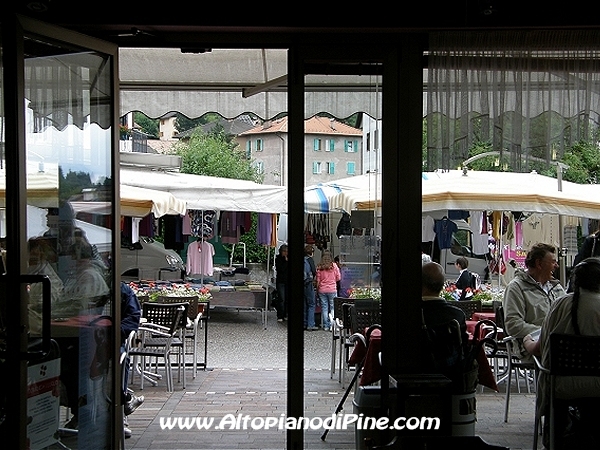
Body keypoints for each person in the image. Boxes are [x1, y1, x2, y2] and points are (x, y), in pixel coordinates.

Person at [522, 257, 600, 449]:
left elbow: (540, 349)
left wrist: (527, 341)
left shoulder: (559, 305)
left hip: (560, 385)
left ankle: (554, 440)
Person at [503, 243, 566, 361]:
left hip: (560, 342)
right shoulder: (516, 287)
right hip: (530, 347)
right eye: (553, 262)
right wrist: (545, 332)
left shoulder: (556, 287)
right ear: (539, 264)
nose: (556, 266)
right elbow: (513, 325)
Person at [421, 262, 470, 390]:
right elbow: (463, 349)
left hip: (412, 376)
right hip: (451, 378)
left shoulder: (408, 315)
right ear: (442, 286)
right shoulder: (457, 316)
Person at [120, 282, 144, 438]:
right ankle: (126, 399)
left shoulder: (122, 290)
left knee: (120, 360)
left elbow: (133, 318)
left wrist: (113, 331)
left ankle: (120, 414)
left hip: (107, 340)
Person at [315, 252, 341, 332]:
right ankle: (332, 325)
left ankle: (326, 326)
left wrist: (317, 289)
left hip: (322, 290)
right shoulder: (334, 266)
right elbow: (338, 278)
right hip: (332, 289)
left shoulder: (319, 267)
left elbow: (317, 280)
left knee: (324, 308)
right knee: (333, 307)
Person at [303, 245, 318, 331]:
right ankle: (310, 324)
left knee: (304, 304)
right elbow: (314, 271)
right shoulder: (310, 260)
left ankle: (304, 323)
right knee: (311, 304)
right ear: (311, 253)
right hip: (308, 283)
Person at [274, 244, 289, 322]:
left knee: (287, 298)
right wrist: (286, 262)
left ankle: (286, 314)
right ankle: (280, 315)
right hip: (281, 281)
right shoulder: (278, 259)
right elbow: (280, 269)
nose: (285, 253)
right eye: (284, 251)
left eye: (287, 251)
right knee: (281, 299)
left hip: (287, 281)